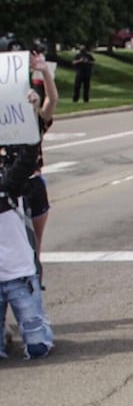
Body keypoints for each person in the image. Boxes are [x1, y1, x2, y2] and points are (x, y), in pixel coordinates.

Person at [0, 133, 54, 360]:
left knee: (37, 349)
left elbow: (29, 155)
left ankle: (41, 327)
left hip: (19, 277)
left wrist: (28, 117)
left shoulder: (9, 185)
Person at [26, 51, 59, 284]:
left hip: (33, 185)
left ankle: (35, 284)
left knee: (33, 246)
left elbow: (52, 101)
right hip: (6, 189)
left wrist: (44, 71)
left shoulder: (36, 120)